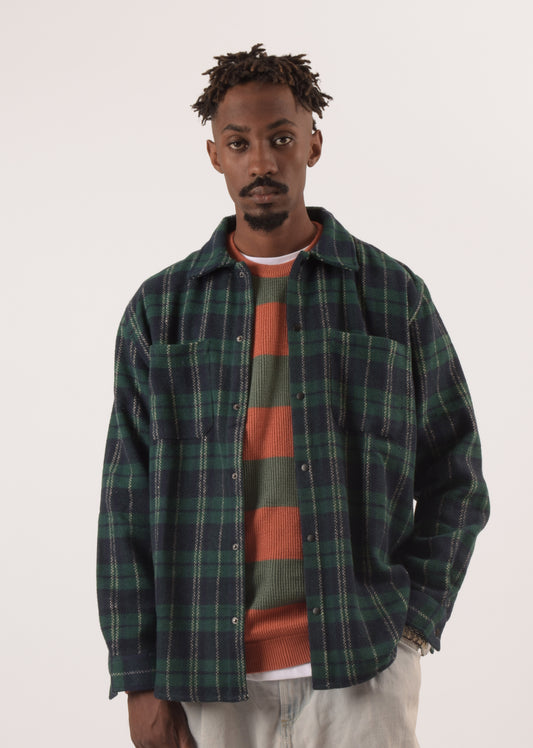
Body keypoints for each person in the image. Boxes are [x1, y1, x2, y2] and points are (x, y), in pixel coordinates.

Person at [97, 44, 489, 748]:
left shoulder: (390, 296)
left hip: (362, 670)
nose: (262, 162)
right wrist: (138, 677)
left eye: (281, 139)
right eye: (239, 143)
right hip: (207, 675)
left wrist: (412, 625)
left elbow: (456, 471)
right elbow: (124, 507)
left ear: (313, 143)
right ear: (214, 156)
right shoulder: (161, 312)